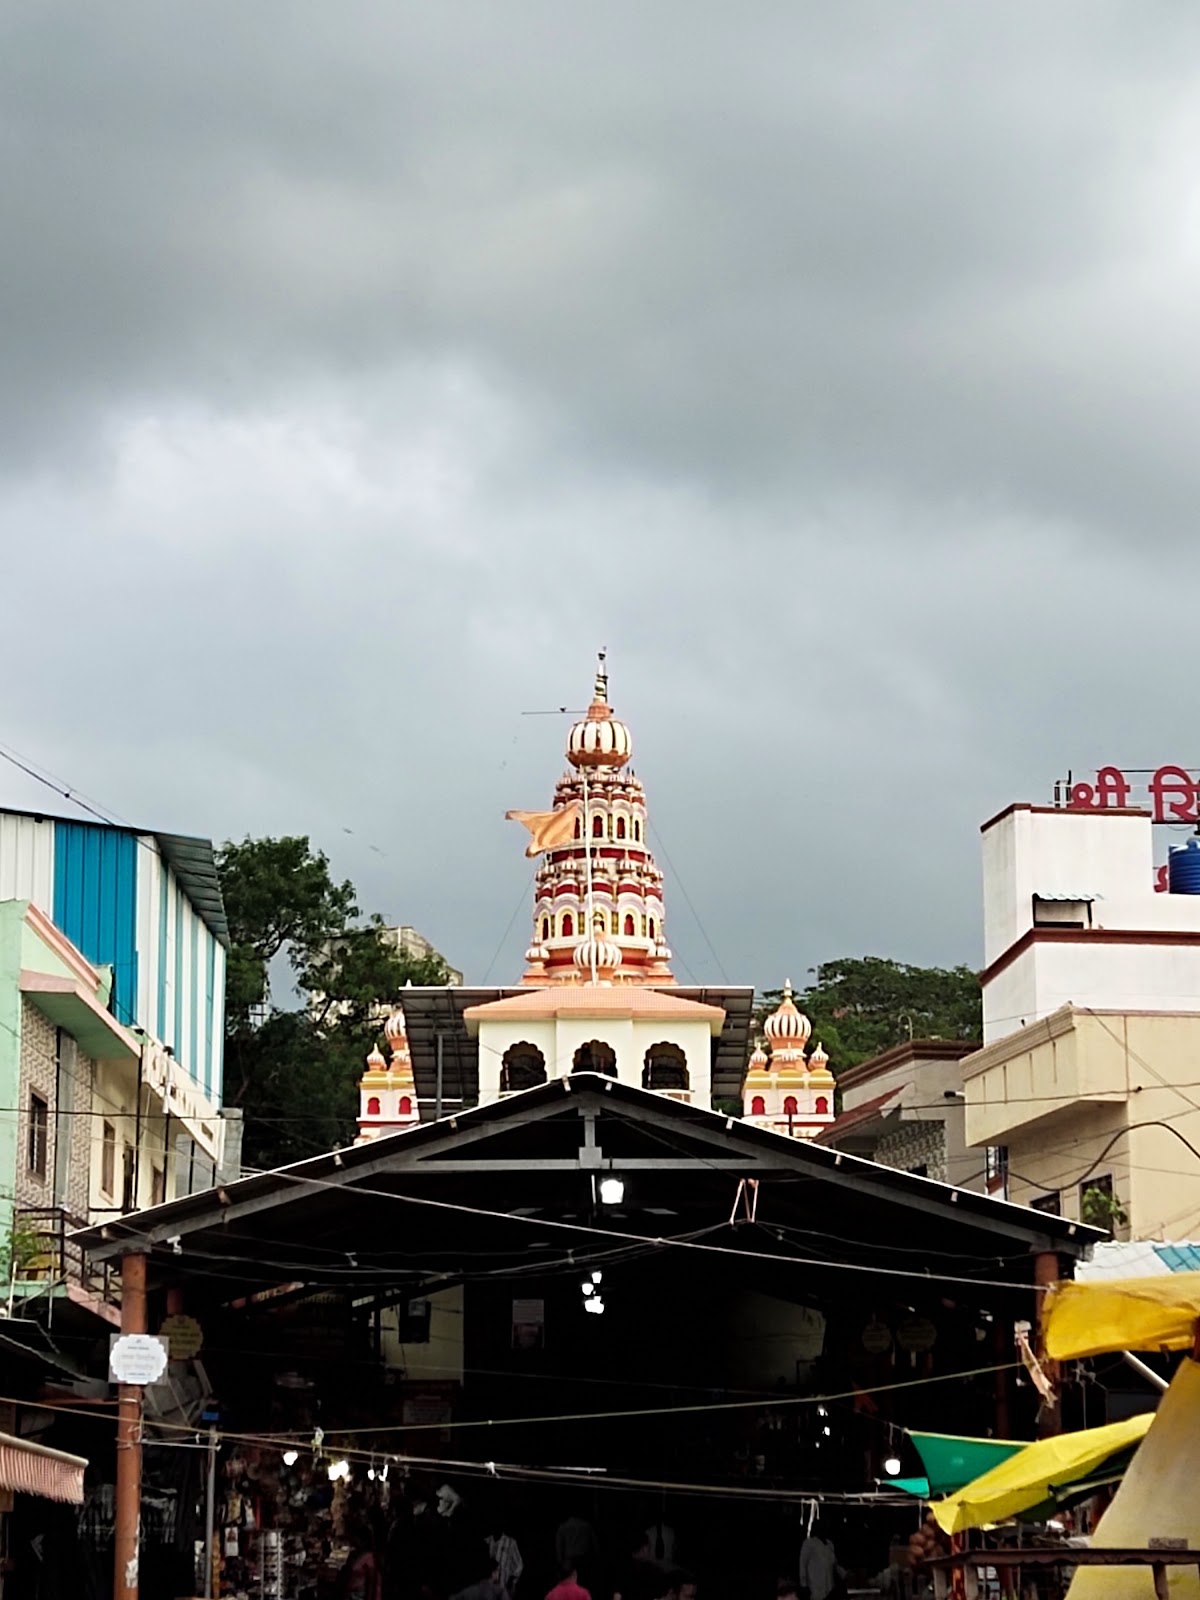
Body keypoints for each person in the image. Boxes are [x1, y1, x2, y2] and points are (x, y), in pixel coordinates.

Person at [340, 1525, 383, 1600]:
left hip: (360, 1595)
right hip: (352, 1594)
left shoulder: (369, 1557)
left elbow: (371, 1583)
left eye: (355, 1537)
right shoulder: (356, 1554)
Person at [798, 1531, 843, 1600]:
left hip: (830, 1588)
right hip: (815, 1588)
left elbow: (835, 1564)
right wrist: (804, 1585)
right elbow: (803, 1564)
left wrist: (845, 1574)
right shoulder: (809, 1543)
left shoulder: (830, 1544)